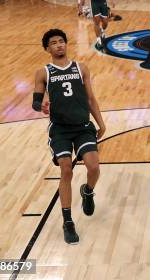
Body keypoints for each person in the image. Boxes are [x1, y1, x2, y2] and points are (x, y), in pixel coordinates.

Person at [32, 29, 106, 244]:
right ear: (47, 49)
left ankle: (88, 191)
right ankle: (68, 222)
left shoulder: (81, 68)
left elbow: (91, 98)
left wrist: (101, 123)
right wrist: (41, 105)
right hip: (60, 129)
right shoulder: (43, 72)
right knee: (66, 168)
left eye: (61, 41)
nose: (59, 45)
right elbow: (36, 101)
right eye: (53, 43)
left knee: (94, 167)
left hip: (83, 126)